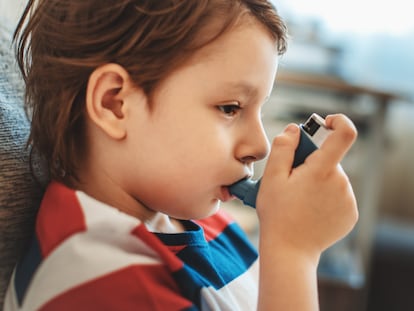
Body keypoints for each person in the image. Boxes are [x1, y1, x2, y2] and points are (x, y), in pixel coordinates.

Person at [4, 0, 358, 310]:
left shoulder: (195, 217)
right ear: (114, 104)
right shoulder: (95, 284)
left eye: (259, 109)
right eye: (230, 108)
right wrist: (294, 253)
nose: (260, 146)